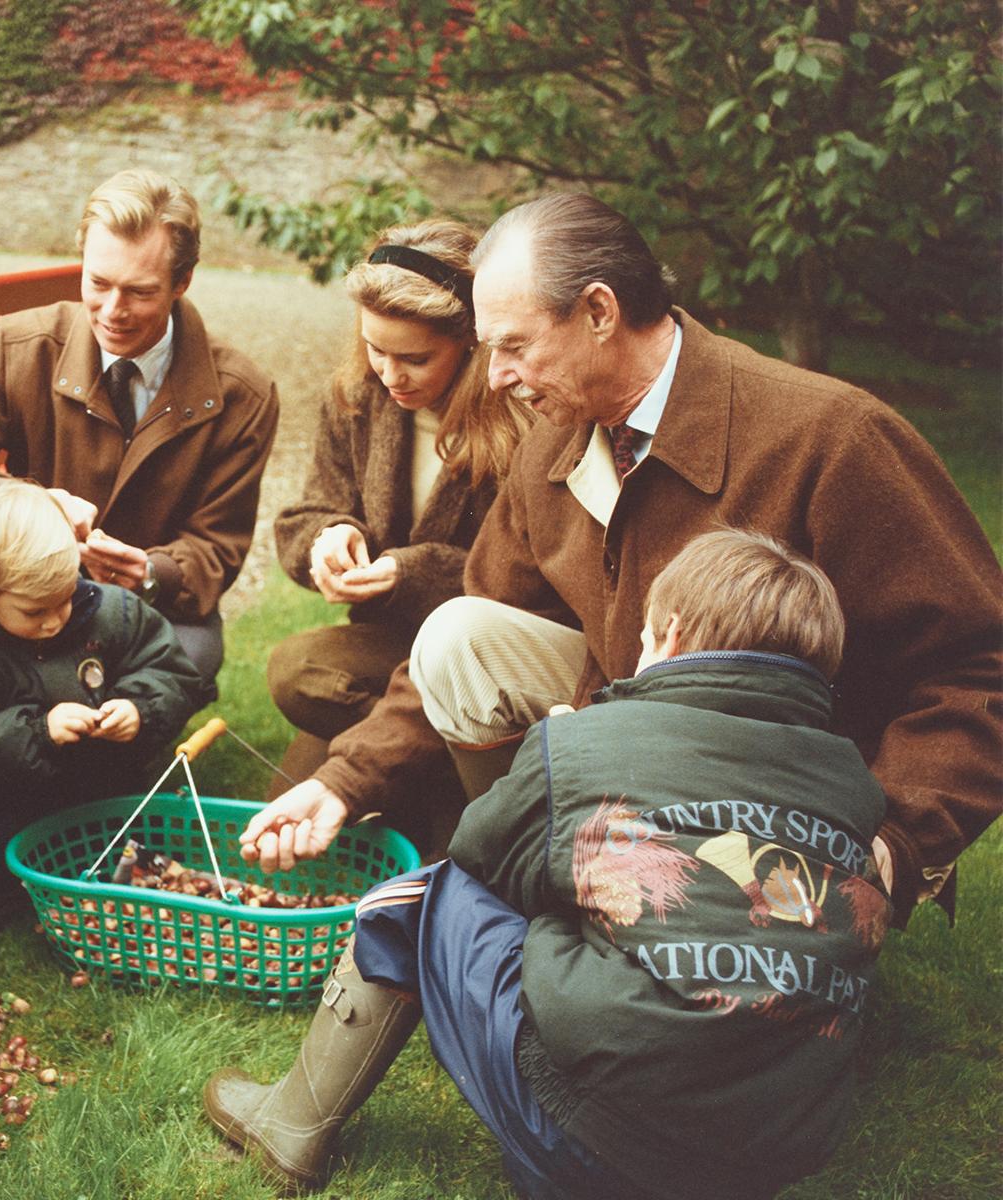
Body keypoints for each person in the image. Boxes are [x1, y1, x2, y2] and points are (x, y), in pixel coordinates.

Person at [240, 192, 1003, 930]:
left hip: (787, 793)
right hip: (631, 749)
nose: (496, 376)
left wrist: (892, 842)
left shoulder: (833, 439)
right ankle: (551, 889)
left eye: (513, 345)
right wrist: (342, 783)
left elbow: (981, 664)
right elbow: (474, 625)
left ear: (600, 312)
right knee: (457, 633)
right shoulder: (556, 441)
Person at [207, 529, 892, 1198]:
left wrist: (555, 754)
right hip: (766, 1166)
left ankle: (290, 1125)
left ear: (672, 637)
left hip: (590, 1149)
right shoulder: (853, 786)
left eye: (645, 639)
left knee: (432, 890)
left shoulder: (587, 739)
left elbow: (483, 854)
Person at [0, 167, 279, 685]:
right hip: (24, 574)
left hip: (148, 603)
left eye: (140, 292)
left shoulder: (243, 394)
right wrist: (29, 507)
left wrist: (150, 572)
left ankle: (110, 760)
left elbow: (217, 551)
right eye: (97, 283)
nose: (113, 312)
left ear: (182, 282)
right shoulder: (16, 345)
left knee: (186, 660)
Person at [269, 218, 528, 828]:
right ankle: (439, 768)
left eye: (414, 358)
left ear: (473, 341)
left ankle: (439, 767)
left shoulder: (521, 421)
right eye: (374, 348)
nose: (389, 373)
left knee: (327, 775)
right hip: (387, 649)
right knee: (296, 681)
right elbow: (305, 513)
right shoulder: (356, 397)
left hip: (481, 658)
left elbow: (522, 582)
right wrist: (328, 538)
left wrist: (406, 572)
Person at [0, 479, 214, 954]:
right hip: (13, 791)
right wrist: (37, 731)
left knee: (146, 828)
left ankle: (124, 892)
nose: (55, 619)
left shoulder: (114, 613)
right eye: (35, 609)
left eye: (66, 596)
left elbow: (169, 668)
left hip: (111, 773)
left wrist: (139, 707)